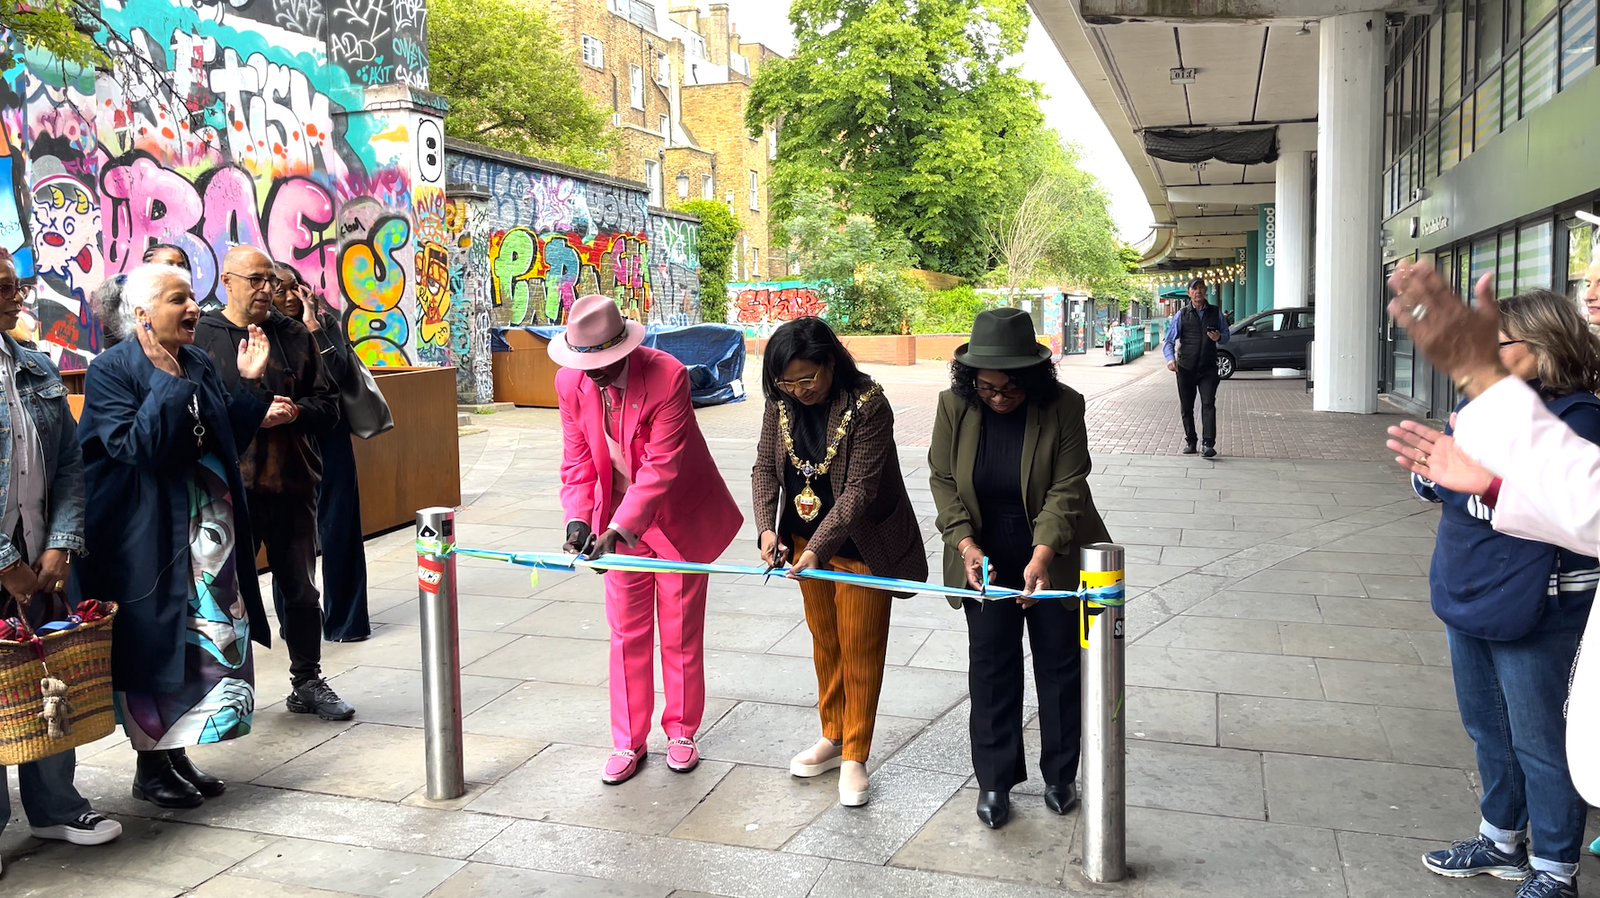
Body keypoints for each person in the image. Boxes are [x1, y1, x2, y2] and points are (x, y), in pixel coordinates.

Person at [1401, 290, 1599, 897]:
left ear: (1544, 345)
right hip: (1469, 589)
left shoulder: (1580, 417)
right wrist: (1451, 478)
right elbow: (1432, 472)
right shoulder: (1483, 404)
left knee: (1541, 741)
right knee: (1488, 728)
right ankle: (1500, 840)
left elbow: (1554, 501)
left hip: (1541, 605)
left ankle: (1555, 867)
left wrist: (1477, 482)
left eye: (1499, 343)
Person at [76, 262, 272, 810]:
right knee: (154, 646)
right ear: (142, 314)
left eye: (192, 297)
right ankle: (150, 766)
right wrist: (164, 379)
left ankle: (179, 751)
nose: (193, 309)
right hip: (148, 539)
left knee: (198, 643)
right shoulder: (111, 371)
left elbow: (222, 435)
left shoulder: (200, 360)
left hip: (206, 534)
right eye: (178, 299)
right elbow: (134, 449)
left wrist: (251, 386)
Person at [927, 308, 1110, 829]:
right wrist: (965, 546)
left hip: (1052, 550)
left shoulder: (1064, 407)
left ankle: (1060, 774)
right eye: (987, 388)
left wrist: (1042, 556)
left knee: (1057, 666)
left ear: (1033, 376)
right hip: (982, 553)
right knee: (990, 667)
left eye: (1010, 387)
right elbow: (943, 480)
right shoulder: (953, 406)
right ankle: (994, 780)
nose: (999, 397)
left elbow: (1068, 486)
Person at [553, 294, 742, 784]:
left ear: (623, 350)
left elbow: (661, 468)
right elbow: (576, 460)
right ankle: (627, 741)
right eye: (583, 362)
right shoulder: (571, 382)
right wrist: (579, 520)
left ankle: (681, 731)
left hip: (675, 518)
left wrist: (617, 530)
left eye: (600, 363)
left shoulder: (667, 375)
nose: (591, 372)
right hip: (616, 518)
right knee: (626, 633)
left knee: (680, 632)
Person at [752, 317, 925, 807]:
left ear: (831, 363)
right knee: (825, 639)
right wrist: (768, 527)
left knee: (861, 646)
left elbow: (858, 492)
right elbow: (766, 465)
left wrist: (816, 550)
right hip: (804, 535)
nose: (798, 391)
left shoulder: (869, 405)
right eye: (787, 382)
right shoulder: (780, 400)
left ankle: (856, 754)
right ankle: (832, 736)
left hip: (861, 542)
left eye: (807, 379)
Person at [192, 245, 350, 720]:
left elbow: (330, 408)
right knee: (223, 595)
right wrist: (249, 412)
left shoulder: (295, 335)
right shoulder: (203, 336)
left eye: (272, 281)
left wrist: (293, 412)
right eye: (256, 280)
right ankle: (221, 689)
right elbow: (192, 409)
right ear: (227, 280)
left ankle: (308, 679)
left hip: (292, 482)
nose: (266, 290)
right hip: (226, 491)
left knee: (300, 590)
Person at [0, 255, 120, 872]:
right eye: (1, 286)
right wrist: (4, 563)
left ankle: (54, 807)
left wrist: (60, 542)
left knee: (47, 678)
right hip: (5, 565)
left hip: (41, 559)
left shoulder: (36, 368)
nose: (14, 295)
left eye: (12, 283)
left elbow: (70, 465)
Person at [269, 263, 370, 643]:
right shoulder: (266, 330)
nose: (291, 296)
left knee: (340, 524)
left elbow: (338, 371)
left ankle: (346, 622)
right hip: (287, 437)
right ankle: (294, 621)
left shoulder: (323, 322)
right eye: (281, 289)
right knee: (289, 533)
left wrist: (313, 326)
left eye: (295, 286)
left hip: (329, 432)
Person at [1160, 276, 1229, 457]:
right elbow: (1168, 341)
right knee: (1187, 406)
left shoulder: (1215, 312)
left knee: (1208, 404)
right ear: (1189, 293)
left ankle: (1208, 444)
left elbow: (1226, 334)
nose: (1198, 291)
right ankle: (1191, 441)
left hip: (1208, 368)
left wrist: (1219, 338)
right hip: (1186, 368)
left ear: (1206, 291)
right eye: (1194, 288)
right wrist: (1170, 359)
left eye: (1201, 288)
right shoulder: (1182, 314)